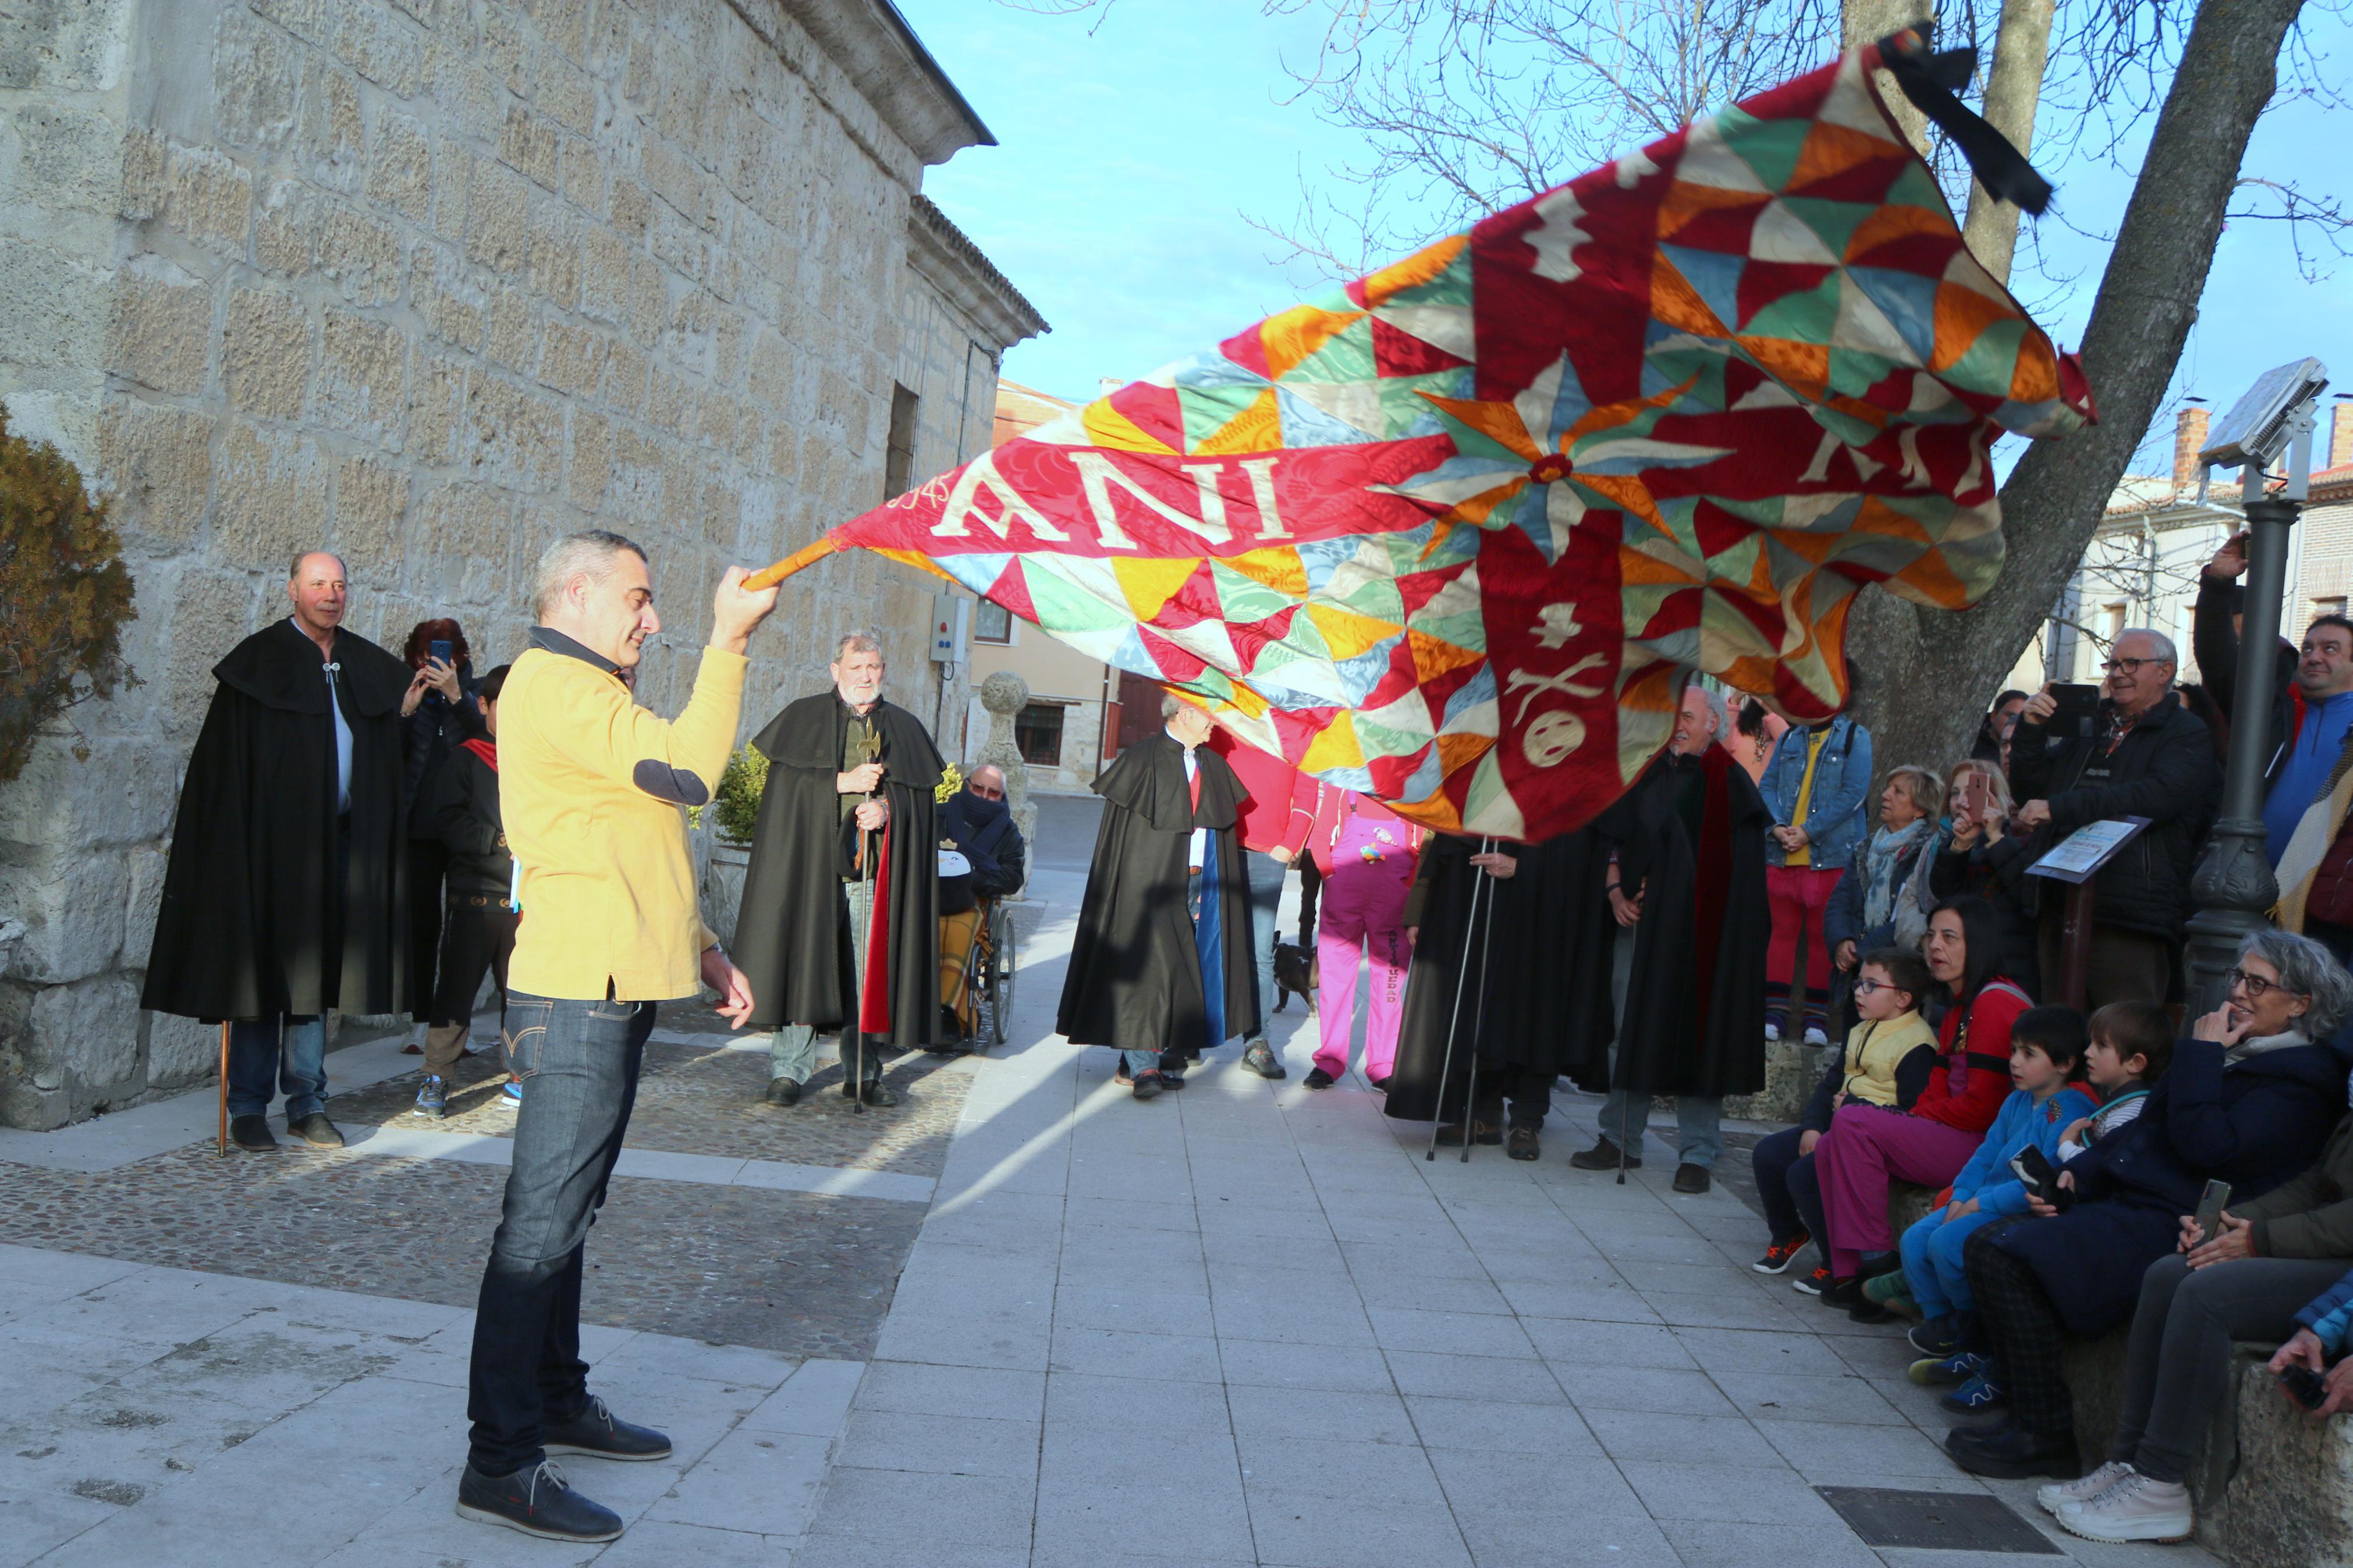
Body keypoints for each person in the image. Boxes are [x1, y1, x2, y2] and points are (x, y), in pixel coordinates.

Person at [457, 530, 774, 1543]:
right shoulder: (558, 684)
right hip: (576, 994)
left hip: (611, 980)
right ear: (580, 592)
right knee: (539, 1226)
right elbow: (685, 773)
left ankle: (553, 1396)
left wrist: (704, 944)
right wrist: (729, 643)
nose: (654, 617)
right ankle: (500, 1460)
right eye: (640, 598)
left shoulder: (583, 689)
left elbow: (634, 830)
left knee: (570, 1213)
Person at [1948, 928, 2352, 1481]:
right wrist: (2074, 1176)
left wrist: (2202, 1057)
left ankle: (2043, 1431)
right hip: (2130, 1199)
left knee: (2005, 1253)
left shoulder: (2302, 1080)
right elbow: (2139, 1131)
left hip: (2174, 1218)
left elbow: (2208, 1147)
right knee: (1993, 1241)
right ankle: (2023, 1408)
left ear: (2300, 1004)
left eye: (2258, 983)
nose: (2238, 992)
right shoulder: (2233, 1054)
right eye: (2238, 976)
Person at [142, 551, 410, 1151]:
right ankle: (247, 1107)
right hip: (269, 852)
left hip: (339, 849)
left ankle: (308, 1104)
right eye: (318, 583)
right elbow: (224, 769)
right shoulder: (257, 663)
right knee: (259, 979)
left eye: (339, 584)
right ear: (293, 590)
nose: (331, 594)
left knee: (314, 983)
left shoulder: (363, 663)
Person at [1569, 682, 1770, 1193]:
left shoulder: (1730, 785)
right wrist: (1616, 889)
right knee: (1626, 1027)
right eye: (1669, 716)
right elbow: (1611, 839)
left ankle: (1697, 1153)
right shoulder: (1643, 770)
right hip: (1639, 928)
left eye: (1686, 716)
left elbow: (1744, 883)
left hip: (1703, 939)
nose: (1676, 726)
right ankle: (1619, 1139)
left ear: (1711, 724)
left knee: (1702, 1034)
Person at [733, 634, 945, 1108]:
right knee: (802, 962)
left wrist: (889, 810)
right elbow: (784, 790)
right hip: (807, 870)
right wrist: (839, 783)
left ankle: (864, 1073)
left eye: (873, 667)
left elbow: (925, 804)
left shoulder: (904, 728)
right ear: (835, 671)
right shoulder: (804, 717)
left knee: (864, 975)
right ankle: (788, 1071)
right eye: (856, 668)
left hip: (868, 873)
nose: (865, 676)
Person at [1804, 897, 2031, 1303]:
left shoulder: (1994, 1002)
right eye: (1930, 935)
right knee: (1833, 1141)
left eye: (1949, 937)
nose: (1934, 946)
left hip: (1982, 1145)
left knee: (1854, 1121)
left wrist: (1919, 1115)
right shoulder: (1956, 1006)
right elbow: (1938, 1089)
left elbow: (1983, 1107)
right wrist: (1919, 1115)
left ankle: (1876, 1262)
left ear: (1976, 942)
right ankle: (1847, 1271)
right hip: (1950, 1131)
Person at [1058, 694, 1261, 1098]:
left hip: (1199, 884)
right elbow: (1125, 841)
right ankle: (1144, 1065)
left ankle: (1135, 1060)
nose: (1213, 725)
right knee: (1150, 971)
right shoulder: (1141, 759)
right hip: (1148, 884)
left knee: (1183, 971)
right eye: (1207, 716)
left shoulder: (1212, 766)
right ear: (1184, 713)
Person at [2008, 630, 2220, 1008]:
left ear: (2164, 671)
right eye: (2113, 664)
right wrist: (2031, 730)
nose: (2118, 673)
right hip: (2061, 899)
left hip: (2130, 914)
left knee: (2122, 1037)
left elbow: (2153, 797)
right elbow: (2032, 793)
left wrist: (2058, 808)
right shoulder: (2092, 725)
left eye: (2131, 664)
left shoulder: (2186, 733)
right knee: (2055, 1036)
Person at [1383, 829, 1609, 1158]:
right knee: (1476, 1010)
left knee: (1533, 1009)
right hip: (1473, 904)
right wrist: (1420, 910)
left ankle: (1526, 1120)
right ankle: (1482, 1115)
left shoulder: (1562, 781)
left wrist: (1526, 866)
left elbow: (1579, 848)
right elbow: (1443, 838)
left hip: (1539, 914)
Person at [1880, 1006, 2095, 1338]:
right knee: (1914, 1240)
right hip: (1980, 1200)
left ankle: (1972, 1327)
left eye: (2029, 1054)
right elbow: (1986, 1154)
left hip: (2015, 1208)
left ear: (2065, 1064)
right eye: (2014, 1051)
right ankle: (1938, 1321)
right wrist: (1961, 1196)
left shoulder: (2068, 1111)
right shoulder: (2017, 1101)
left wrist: (1979, 1205)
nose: (2015, 1062)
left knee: (1946, 1244)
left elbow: (2043, 1179)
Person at [1749, 948, 1940, 1278]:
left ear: (1903, 999)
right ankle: (1789, 1234)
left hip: (1873, 1141)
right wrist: (1812, 1126)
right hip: (1840, 1127)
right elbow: (1831, 1085)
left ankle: (1835, 1261)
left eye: (1871, 985)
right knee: (1768, 1155)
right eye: (1858, 983)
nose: (1858, 992)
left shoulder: (1918, 1045)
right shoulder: (1862, 1029)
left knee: (1803, 1175)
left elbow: (1911, 1114)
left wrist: (1853, 1109)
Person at [2196, 529, 2353, 870]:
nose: (2313, 657)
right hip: (2241, 884)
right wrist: (2217, 586)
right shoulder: (2274, 710)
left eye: (2330, 649)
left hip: (2325, 898)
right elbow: (2218, 662)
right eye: (2308, 648)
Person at [416, 664, 517, 1117]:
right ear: (483, 705)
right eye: (504, 707)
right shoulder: (466, 758)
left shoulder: (540, 762)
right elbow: (447, 819)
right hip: (475, 898)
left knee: (523, 997)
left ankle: (520, 1076)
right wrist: (497, 843)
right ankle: (437, 1077)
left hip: (524, 902)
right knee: (454, 995)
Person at [1205, 723, 1329, 1081]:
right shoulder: (1220, 727)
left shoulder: (1293, 731)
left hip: (1267, 858)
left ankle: (1257, 1043)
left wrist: (1287, 848)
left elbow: (1307, 798)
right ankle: (1188, 1040)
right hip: (1218, 848)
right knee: (1204, 943)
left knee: (1260, 954)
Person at [1758, 700, 1873, 1046]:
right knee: (1780, 935)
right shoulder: (1790, 737)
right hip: (1783, 854)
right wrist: (1778, 827)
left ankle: (1818, 1021)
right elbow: (1767, 787)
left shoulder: (1857, 737)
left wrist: (1809, 830)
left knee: (1824, 939)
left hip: (1833, 857)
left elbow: (1854, 793)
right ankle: (1774, 1015)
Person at [398, 617, 486, 1053]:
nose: (434, 663)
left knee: (464, 931)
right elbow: (387, 753)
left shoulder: (478, 693)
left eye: (445, 656)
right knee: (420, 927)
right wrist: (408, 710)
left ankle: (453, 1028)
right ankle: (420, 1021)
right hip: (418, 829)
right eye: (427, 655)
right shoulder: (405, 690)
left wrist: (456, 696)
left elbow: (488, 742)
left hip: (466, 829)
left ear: (462, 658)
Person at [1303, 787, 1423, 1090]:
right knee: (1335, 981)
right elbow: (1320, 838)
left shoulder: (1413, 790)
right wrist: (1331, 877)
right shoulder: (1342, 787)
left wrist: (1406, 890)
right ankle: (1329, 1063)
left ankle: (1383, 1065)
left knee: (1390, 985)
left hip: (1393, 905)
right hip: (1344, 901)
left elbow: (1422, 848)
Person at [1824, 764, 1943, 1030]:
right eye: (1888, 788)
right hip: (1858, 972)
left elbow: (1910, 915)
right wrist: (1842, 942)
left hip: (1898, 973)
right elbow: (1840, 901)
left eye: (1898, 792)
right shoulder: (1865, 849)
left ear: (1920, 809)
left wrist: (1863, 950)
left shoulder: (1926, 853)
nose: (1886, 795)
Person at [1925, 758, 2039, 994]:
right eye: (1955, 793)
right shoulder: (1955, 843)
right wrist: (1960, 847)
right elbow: (1945, 894)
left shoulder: (2021, 840)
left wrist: (1996, 837)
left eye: (1972, 792)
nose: (1962, 802)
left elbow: (2028, 894)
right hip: (1959, 973)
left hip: (2008, 973)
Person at [936, 763, 1025, 1039]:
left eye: (993, 792)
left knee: (958, 930)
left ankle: (951, 1013)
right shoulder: (937, 815)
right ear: (966, 785)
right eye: (978, 788)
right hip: (928, 894)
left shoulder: (1009, 833)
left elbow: (1012, 877)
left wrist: (972, 878)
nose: (984, 797)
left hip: (974, 901)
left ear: (1002, 796)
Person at [1726, 696, 1787, 784]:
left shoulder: (1797, 730)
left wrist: (1770, 712)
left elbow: (1791, 748)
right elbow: (1722, 746)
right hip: (1735, 794)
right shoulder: (1740, 723)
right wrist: (1734, 701)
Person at [1972, 690, 2029, 764]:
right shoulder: (1972, 744)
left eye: (2022, 719)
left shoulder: (2029, 752)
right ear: (1994, 715)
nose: (2015, 722)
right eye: (2011, 716)